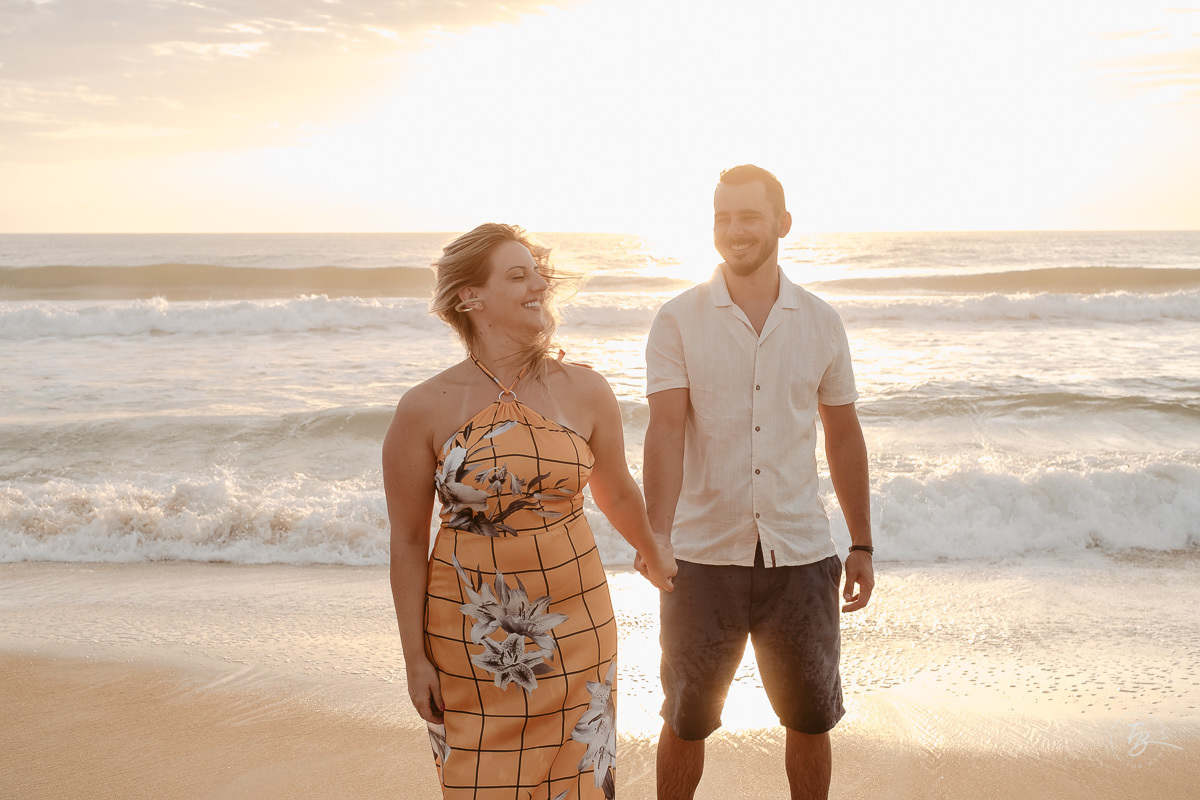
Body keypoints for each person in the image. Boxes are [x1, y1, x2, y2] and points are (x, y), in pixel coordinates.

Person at [384, 223, 678, 800]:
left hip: (580, 626)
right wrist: (415, 659)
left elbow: (615, 490)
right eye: (517, 275)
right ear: (471, 297)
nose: (538, 285)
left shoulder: (586, 389)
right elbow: (405, 541)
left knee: (579, 785)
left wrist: (652, 550)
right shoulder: (423, 408)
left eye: (538, 273)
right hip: (472, 637)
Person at [636, 165, 874, 800]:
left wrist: (862, 544)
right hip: (701, 557)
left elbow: (844, 435)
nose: (734, 230)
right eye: (722, 218)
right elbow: (663, 431)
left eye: (748, 216)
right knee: (685, 720)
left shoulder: (822, 322)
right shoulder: (678, 318)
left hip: (800, 553)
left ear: (782, 224)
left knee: (811, 717)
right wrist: (655, 533)